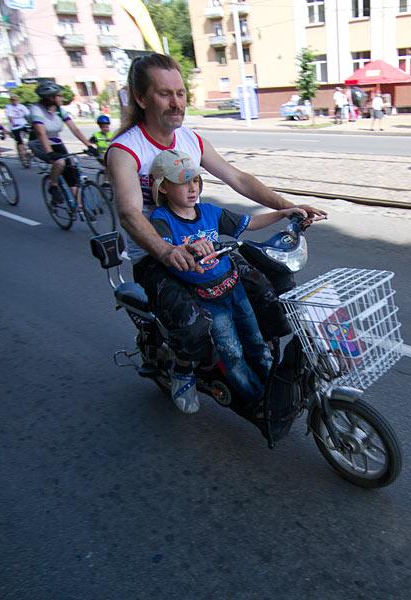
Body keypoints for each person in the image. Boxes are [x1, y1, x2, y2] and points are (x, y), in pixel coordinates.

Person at [105, 52, 326, 412]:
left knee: (268, 290)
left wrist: (287, 206)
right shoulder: (125, 150)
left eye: (180, 93)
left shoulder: (190, 139)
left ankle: (262, 360)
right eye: (165, 94)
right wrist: (165, 251)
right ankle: (183, 369)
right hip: (158, 258)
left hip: (204, 247)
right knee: (194, 329)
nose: (176, 102)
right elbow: (129, 213)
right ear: (141, 98)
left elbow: (238, 178)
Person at [147, 149, 307, 411]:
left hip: (235, 290)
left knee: (256, 342)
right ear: (163, 187)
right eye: (183, 182)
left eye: (195, 180)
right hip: (208, 300)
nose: (192, 187)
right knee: (232, 354)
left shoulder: (209, 212)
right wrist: (186, 249)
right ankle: (258, 400)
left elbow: (250, 223)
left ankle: (274, 389)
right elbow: (164, 248)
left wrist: (283, 212)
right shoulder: (161, 219)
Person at [27, 81, 96, 208]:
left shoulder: (59, 110)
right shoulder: (36, 109)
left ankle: (80, 207)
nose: (62, 98)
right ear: (50, 98)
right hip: (39, 143)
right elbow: (41, 133)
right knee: (59, 162)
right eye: (60, 96)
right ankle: (53, 185)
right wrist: (49, 152)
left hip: (55, 141)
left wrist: (89, 145)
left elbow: (74, 129)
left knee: (71, 171)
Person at [4, 94, 31, 168]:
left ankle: (30, 149)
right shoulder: (8, 107)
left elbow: (28, 115)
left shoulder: (22, 106)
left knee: (32, 136)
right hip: (15, 126)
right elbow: (10, 117)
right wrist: (13, 124)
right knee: (20, 142)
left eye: (16, 100)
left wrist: (31, 123)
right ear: (10, 101)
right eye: (13, 100)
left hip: (23, 123)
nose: (14, 101)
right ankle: (24, 158)